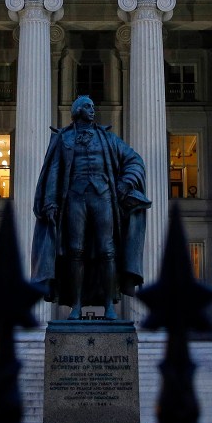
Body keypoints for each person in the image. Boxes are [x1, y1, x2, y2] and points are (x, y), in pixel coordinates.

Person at [31, 95, 150, 320]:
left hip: (103, 197)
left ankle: (109, 306)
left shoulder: (108, 139)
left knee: (107, 250)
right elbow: (53, 171)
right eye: (88, 106)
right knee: (75, 251)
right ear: (77, 111)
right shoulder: (63, 139)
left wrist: (126, 182)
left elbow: (135, 160)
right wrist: (49, 201)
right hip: (74, 198)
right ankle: (75, 306)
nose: (93, 109)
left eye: (93, 106)